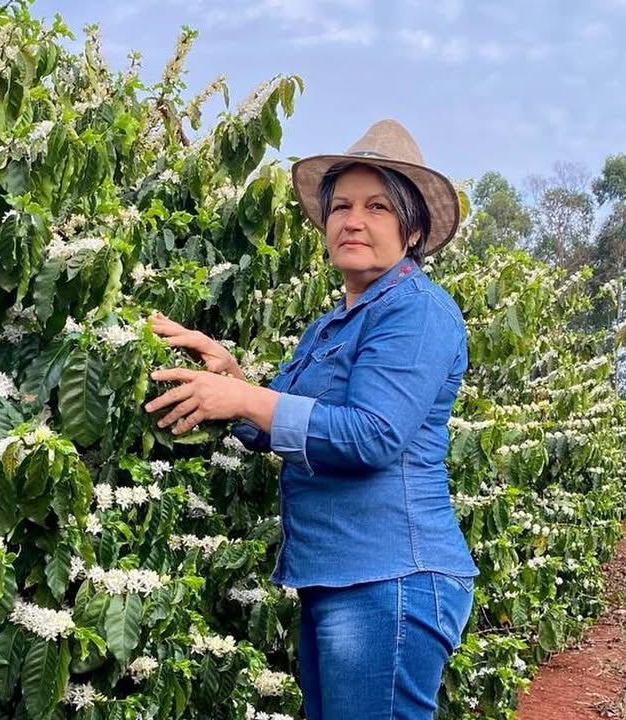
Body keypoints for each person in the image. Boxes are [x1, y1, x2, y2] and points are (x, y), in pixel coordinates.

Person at [144, 119, 478, 720]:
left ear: (415, 229)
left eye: (378, 207)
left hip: (391, 578)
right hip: (339, 578)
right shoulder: (331, 324)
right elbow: (288, 425)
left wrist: (244, 399)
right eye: (341, 205)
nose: (354, 220)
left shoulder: (417, 313)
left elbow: (372, 434)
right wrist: (231, 378)